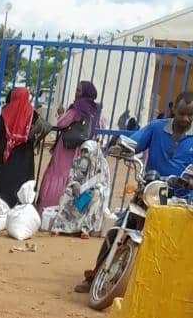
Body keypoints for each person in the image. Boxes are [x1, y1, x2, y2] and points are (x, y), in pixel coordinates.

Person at [74, 92, 193, 292]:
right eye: (182, 113)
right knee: (120, 226)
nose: (186, 119)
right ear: (173, 108)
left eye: (191, 115)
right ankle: (96, 275)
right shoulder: (156, 128)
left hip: (179, 198)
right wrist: (121, 147)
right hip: (152, 188)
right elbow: (135, 142)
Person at [37, 81, 102, 211]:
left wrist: (61, 113)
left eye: (79, 90)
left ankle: (50, 206)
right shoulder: (95, 110)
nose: (76, 93)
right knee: (74, 176)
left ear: (84, 93)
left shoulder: (77, 107)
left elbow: (62, 123)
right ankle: (68, 208)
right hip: (83, 150)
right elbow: (100, 128)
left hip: (67, 148)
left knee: (59, 173)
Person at [0, 88, 50, 207]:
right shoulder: (33, 115)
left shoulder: (6, 113)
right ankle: (20, 207)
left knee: (3, 185)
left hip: (6, 156)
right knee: (22, 185)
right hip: (25, 159)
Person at [50, 140, 110, 239]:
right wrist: (75, 184)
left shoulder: (102, 164)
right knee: (67, 193)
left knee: (96, 194)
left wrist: (93, 186)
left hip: (93, 189)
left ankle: (85, 229)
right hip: (80, 189)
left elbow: (105, 183)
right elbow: (72, 176)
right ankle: (59, 226)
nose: (84, 154)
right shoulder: (78, 161)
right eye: (83, 151)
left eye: (87, 151)